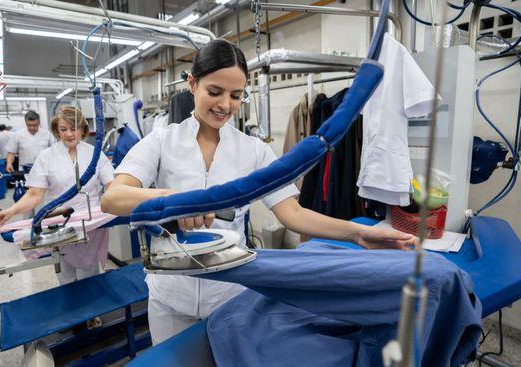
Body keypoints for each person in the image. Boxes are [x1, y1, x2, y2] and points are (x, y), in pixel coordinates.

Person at [101, 39, 417, 345]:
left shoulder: (252, 150)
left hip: (229, 295)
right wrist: (174, 202)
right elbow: (113, 198)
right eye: (214, 91)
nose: (225, 104)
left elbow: (292, 213)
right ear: (192, 84)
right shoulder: (161, 141)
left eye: (236, 95)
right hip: (171, 295)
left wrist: (357, 235)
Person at [0, 106, 114, 290]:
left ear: (83, 129)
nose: (69, 134)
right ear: (56, 130)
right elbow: (34, 195)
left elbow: (112, 185)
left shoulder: (95, 154)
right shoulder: (47, 157)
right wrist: (11, 211)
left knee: (89, 271)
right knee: (65, 271)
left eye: (74, 128)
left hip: (90, 222)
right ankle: (72, 311)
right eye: (64, 129)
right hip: (59, 222)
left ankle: (91, 315)